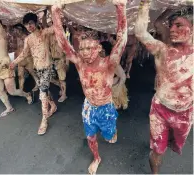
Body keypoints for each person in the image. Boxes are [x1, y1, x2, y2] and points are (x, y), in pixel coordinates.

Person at [51, 0, 127, 173]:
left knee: (109, 135)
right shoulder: (80, 64)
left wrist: (120, 8)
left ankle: (112, 131)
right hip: (89, 107)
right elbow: (64, 44)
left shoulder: (109, 64)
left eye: (89, 49)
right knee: (90, 136)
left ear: (99, 48)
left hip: (106, 107)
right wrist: (55, 14)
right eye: (82, 49)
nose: (84, 53)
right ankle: (96, 158)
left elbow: (121, 41)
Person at [135, 1, 193, 174]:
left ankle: (163, 141)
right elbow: (140, 32)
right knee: (158, 150)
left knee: (172, 144)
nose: (172, 29)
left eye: (178, 25)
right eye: (171, 25)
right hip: (160, 109)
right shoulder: (162, 50)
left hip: (185, 113)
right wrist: (144, 4)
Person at [10, 12, 57, 135]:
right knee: (45, 90)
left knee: (42, 94)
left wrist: (52, 11)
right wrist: (14, 62)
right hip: (37, 69)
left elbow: (57, 27)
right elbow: (24, 54)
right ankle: (53, 106)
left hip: (47, 67)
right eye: (26, 25)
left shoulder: (45, 33)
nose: (29, 26)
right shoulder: (28, 39)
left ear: (35, 23)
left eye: (30, 23)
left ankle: (44, 120)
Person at [42, 9, 68, 102]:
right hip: (53, 58)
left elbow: (46, 29)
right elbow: (44, 26)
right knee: (54, 78)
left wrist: (51, 9)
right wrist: (45, 13)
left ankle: (64, 94)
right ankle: (62, 89)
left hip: (60, 59)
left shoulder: (58, 29)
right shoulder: (50, 33)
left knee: (62, 78)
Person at [11, 24, 39, 92]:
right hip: (20, 59)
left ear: (20, 30)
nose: (15, 32)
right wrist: (15, 58)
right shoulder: (16, 38)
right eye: (14, 30)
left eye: (16, 30)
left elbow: (31, 49)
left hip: (28, 58)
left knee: (33, 73)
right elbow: (16, 49)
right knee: (20, 75)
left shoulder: (27, 37)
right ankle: (21, 90)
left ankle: (38, 84)